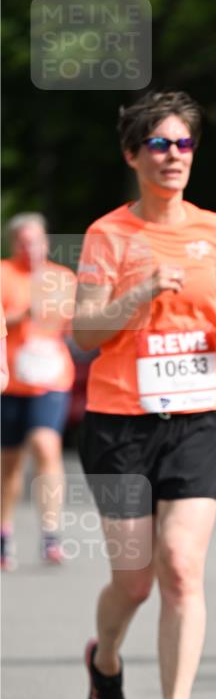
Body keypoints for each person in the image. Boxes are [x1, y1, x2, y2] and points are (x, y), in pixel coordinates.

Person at [74, 91, 216, 699]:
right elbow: (86, 332)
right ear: (133, 154)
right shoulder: (107, 235)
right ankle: (106, 659)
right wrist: (141, 291)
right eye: (159, 144)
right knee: (135, 580)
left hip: (200, 415)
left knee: (180, 566)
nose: (173, 155)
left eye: (183, 144)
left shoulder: (214, 228)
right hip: (120, 421)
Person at [1, 213, 77, 570]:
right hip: (10, 381)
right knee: (10, 462)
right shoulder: (4, 274)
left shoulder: (63, 278)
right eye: (23, 241)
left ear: (46, 242)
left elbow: (75, 326)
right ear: (14, 244)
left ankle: (51, 533)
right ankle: (5, 533)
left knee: (47, 446)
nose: (30, 247)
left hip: (51, 377)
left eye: (37, 240)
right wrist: (22, 315)